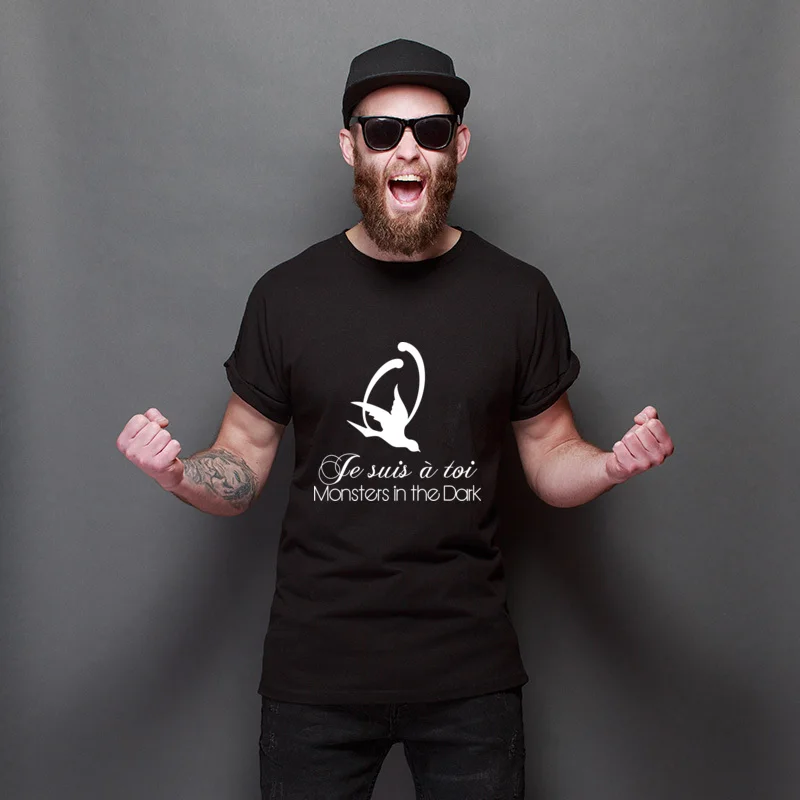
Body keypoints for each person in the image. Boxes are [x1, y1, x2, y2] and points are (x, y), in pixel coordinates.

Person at [116, 38, 674, 800]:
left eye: (431, 131)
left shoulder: (518, 296)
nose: (407, 150)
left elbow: (552, 456)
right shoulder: (286, 296)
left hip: (469, 676)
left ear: (458, 146)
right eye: (382, 132)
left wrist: (611, 464)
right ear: (351, 147)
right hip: (316, 676)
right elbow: (240, 459)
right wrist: (179, 475)